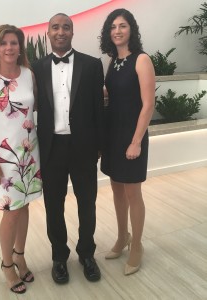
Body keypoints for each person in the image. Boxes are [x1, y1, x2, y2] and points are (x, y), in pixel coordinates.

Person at [32, 13, 104, 284]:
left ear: (72, 32)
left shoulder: (93, 65)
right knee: (53, 206)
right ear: (48, 33)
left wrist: (100, 146)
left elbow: (99, 108)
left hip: (84, 146)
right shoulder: (36, 68)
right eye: (55, 27)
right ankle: (59, 257)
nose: (60, 32)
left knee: (87, 203)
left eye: (66, 27)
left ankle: (87, 253)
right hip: (51, 148)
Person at [0, 24, 42, 294]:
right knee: (10, 212)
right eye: (4, 43)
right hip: (3, 159)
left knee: (24, 207)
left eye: (14, 43)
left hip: (28, 152)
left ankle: (20, 255)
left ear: (19, 47)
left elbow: (34, 110)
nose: (9, 48)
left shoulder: (28, 74)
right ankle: (6, 265)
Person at [99, 9, 155, 275]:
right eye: (113, 27)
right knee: (117, 189)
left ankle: (137, 246)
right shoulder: (114, 61)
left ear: (131, 29)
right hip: (113, 134)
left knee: (133, 193)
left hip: (132, 135)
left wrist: (136, 142)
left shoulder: (141, 60)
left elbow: (148, 105)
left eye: (122, 25)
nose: (117, 30)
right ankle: (123, 237)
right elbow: (115, 94)